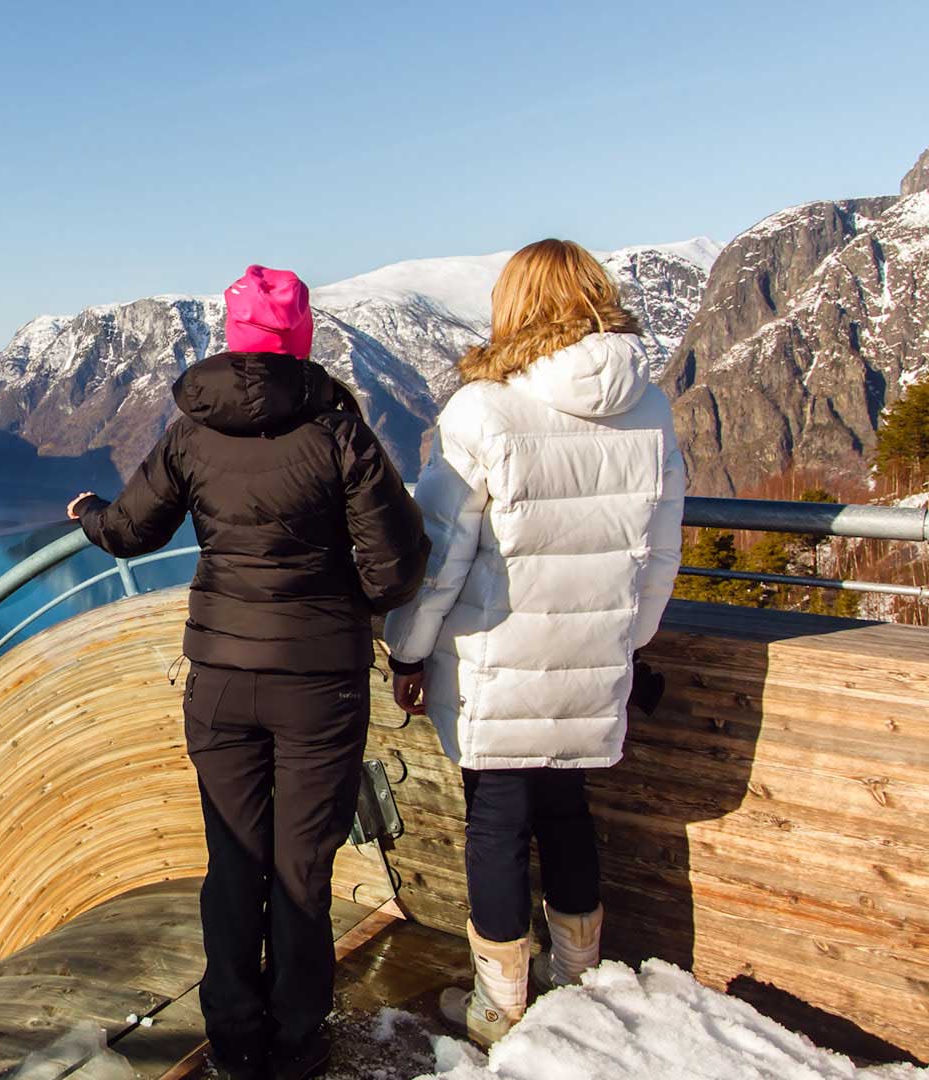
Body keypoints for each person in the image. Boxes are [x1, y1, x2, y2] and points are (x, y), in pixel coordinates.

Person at [68, 265, 430, 1080]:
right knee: (303, 867)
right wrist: (347, 592)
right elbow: (396, 569)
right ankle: (298, 1044)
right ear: (301, 338)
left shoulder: (193, 431)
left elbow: (130, 531)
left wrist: (87, 515)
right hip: (319, 684)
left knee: (234, 861)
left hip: (223, 678)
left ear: (232, 341)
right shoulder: (339, 428)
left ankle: (233, 1042)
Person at [381, 239, 686, 1046]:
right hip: (596, 659)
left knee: (497, 824)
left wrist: (406, 651)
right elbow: (661, 548)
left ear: (512, 305)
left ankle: (499, 1006)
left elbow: (440, 557)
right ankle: (578, 978)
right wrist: (628, 640)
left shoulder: (484, 409)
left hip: (498, 660)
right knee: (568, 811)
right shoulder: (650, 407)